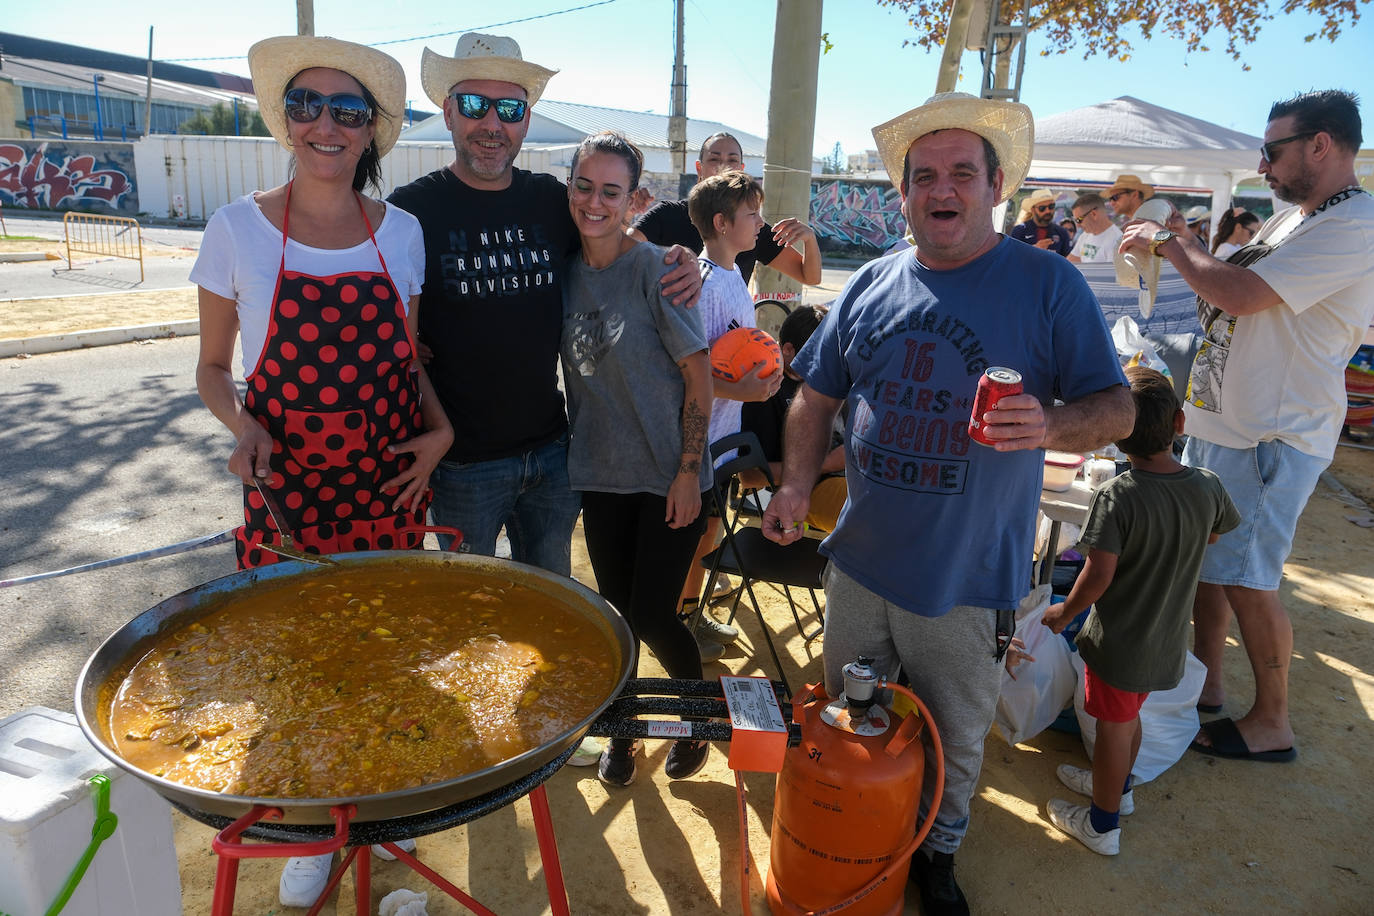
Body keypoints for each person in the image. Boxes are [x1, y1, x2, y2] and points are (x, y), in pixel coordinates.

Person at [761, 92, 1134, 915]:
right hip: (860, 562)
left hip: (969, 576)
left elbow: (1118, 408)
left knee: (956, 735)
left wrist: (1054, 420)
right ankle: (866, 831)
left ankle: (939, 852)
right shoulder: (872, 283)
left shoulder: (1049, 285)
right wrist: (794, 481)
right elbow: (815, 396)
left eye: (963, 171)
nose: (943, 188)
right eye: (923, 175)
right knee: (852, 718)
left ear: (995, 185)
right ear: (902, 195)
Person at [190, 36, 453, 907]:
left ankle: (390, 814)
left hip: (385, 485)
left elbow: (409, 361)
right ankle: (310, 823)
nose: (326, 125)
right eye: (308, 104)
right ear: (285, 119)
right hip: (286, 489)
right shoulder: (233, 228)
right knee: (294, 662)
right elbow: (213, 371)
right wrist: (243, 426)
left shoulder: (405, 234)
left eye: (349, 111)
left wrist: (440, 428)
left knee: (391, 653)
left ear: (371, 131)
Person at [1120, 88, 1374, 763]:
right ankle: (1206, 690)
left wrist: (1173, 243)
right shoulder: (1291, 219)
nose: (1263, 167)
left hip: (1271, 438)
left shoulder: (1356, 225)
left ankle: (1272, 723)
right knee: (1211, 568)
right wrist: (1189, 242)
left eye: (1272, 151)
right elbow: (1223, 282)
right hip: (1227, 427)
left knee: (1249, 580)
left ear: (1321, 145)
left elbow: (1241, 294)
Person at [386, 33, 700, 578]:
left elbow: (613, 241)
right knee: (469, 616)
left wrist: (680, 259)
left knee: (554, 613)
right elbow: (385, 332)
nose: (492, 123)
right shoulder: (409, 213)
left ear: (525, 120)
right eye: (474, 105)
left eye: (508, 108)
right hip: (460, 465)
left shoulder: (553, 201)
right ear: (448, 113)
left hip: (553, 457)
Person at [558, 131, 716, 786]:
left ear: (636, 199)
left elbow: (700, 375)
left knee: (654, 612)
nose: (595, 202)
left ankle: (697, 718)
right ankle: (622, 740)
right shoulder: (563, 267)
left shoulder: (655, 268)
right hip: (601, 474)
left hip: (666, 476)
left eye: (611, 191)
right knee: (615, 617)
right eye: (584, 186)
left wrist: (687, 469)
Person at [1040, 367, 1239, 856]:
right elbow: (1214, 535)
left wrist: (1064, 611)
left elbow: (1097, 576)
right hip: (1166, 639)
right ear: (1179, 422)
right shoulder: (1207, 486)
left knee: (1113, 728)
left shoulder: (1118, 496)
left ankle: (1102, 826)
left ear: (1115, 434)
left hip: (1120, 643)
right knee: (1128, 719)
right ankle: (1118, 792)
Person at [675, 170, 785, 659]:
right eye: (752, 214)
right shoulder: (701, 284)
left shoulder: (736, 275)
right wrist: (739, 388)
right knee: (694, 539)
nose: (761, 222)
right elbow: (680, 372)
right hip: (694, 445)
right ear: (721, 223)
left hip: (723, 438)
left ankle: (694, 613)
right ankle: (679, 622)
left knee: (712, 531)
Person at [630, 131, 823, 287]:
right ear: (699, 168)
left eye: (732, 160)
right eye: (714, 159)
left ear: (741, 168)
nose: (723, 166)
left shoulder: (751, 227)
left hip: (731, 334)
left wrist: (809, 239)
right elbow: (617, 254)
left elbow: (810, 277)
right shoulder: (668, 214)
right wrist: (626, 213)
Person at [738, 304, 847, 532]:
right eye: (817, 356)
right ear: (788, 349)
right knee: (873, 516)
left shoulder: (823, 377)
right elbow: (750, 476)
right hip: (807, 489)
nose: (825, 365)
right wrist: (827, 463)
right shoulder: (765, 390)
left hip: (846, 476)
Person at [1009, 188, 1071, 255]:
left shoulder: (1062, 232)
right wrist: (1034, 249)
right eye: (1042, 208)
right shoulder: (1019, 231)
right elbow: (1012, 256)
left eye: (1051, 206)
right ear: (1033, 210)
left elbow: (1067, 260)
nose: (1048, 211)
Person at [1068, 192, 1123, 263]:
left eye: (1079, 220)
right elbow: (1070, 261)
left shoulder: (1116, 240)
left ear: (1094, 214)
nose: (1078, 225)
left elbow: (1111, 273)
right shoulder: (1085, 235)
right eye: (1075, 220)